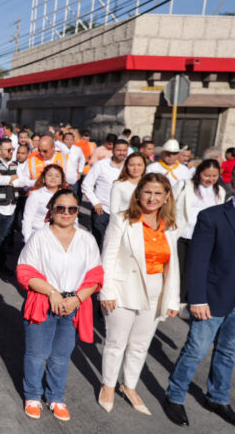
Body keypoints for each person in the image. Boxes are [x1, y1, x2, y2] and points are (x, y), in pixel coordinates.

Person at [17, 189, 103, 422]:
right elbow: (25, 272)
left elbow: (95, 276)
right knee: (36, 354)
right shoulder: (40, 237)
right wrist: (53, 293)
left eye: (72, 209)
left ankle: (55, 396)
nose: (66, 213)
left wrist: (76, 299)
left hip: (74, 304)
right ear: (51, 210)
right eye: (60, 208)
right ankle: (32, 395)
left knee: (61, 357)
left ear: (77, 211)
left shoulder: (87, 239)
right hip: (43, 302)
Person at [98, 173, 180, 415]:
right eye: (147, 192)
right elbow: (108, 257)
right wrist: (107, 291)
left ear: (166, 197)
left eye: (158, 193)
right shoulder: (121, 219)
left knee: (140, 344)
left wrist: (172, 299)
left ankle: (129, 385)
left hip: (155, 291)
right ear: (138, 193)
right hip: (123, 290)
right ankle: (108, 386)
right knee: (116, 342)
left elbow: (172, 267)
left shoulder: (170, 226)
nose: (152, 198)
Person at [164, 172, 235, 428]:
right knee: (196, 350)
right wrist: (197, 299)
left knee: (228, 352)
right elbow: (197, 262)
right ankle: (174, 396)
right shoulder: (212, 217)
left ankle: (217, 397)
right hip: (212, 298)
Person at [174, 159, 226, 319]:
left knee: (196, 269)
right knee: (179, 268)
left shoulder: (220, 192)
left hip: (205, 237)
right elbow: (170, 205)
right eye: (206, 175)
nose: (210, 179)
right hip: (184, 233)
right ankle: (177, 301)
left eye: (214, 176)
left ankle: (190, 300)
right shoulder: (185, 185)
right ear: (199, 173)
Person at [0, 137, 25, 273]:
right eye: (8, 149)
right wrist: (12, 178)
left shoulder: (15, 164)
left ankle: (1, 265)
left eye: (12, 149)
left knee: (4, 240)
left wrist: (7, 178)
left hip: (11, 208)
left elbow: (22, 181)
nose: (11, 152)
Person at [82, 139, 129, 247]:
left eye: (124, 150)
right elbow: (86, 185)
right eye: (118, 150)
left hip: (122, 211)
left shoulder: (130, 167)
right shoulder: (101, 165)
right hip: (102, 210)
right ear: (113, 150)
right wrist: (95, 202)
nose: (121, 153)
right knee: (100, 242)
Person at [22, 165, 69, 242]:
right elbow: (27, 220)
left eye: (57, 176)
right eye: (49, 175)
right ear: (44, 178)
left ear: (61, 180)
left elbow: (73, 219)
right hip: (39, 237)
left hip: (61, 238)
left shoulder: (67, 196)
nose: (53, 178)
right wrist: (28, 240)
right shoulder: (35, 195)